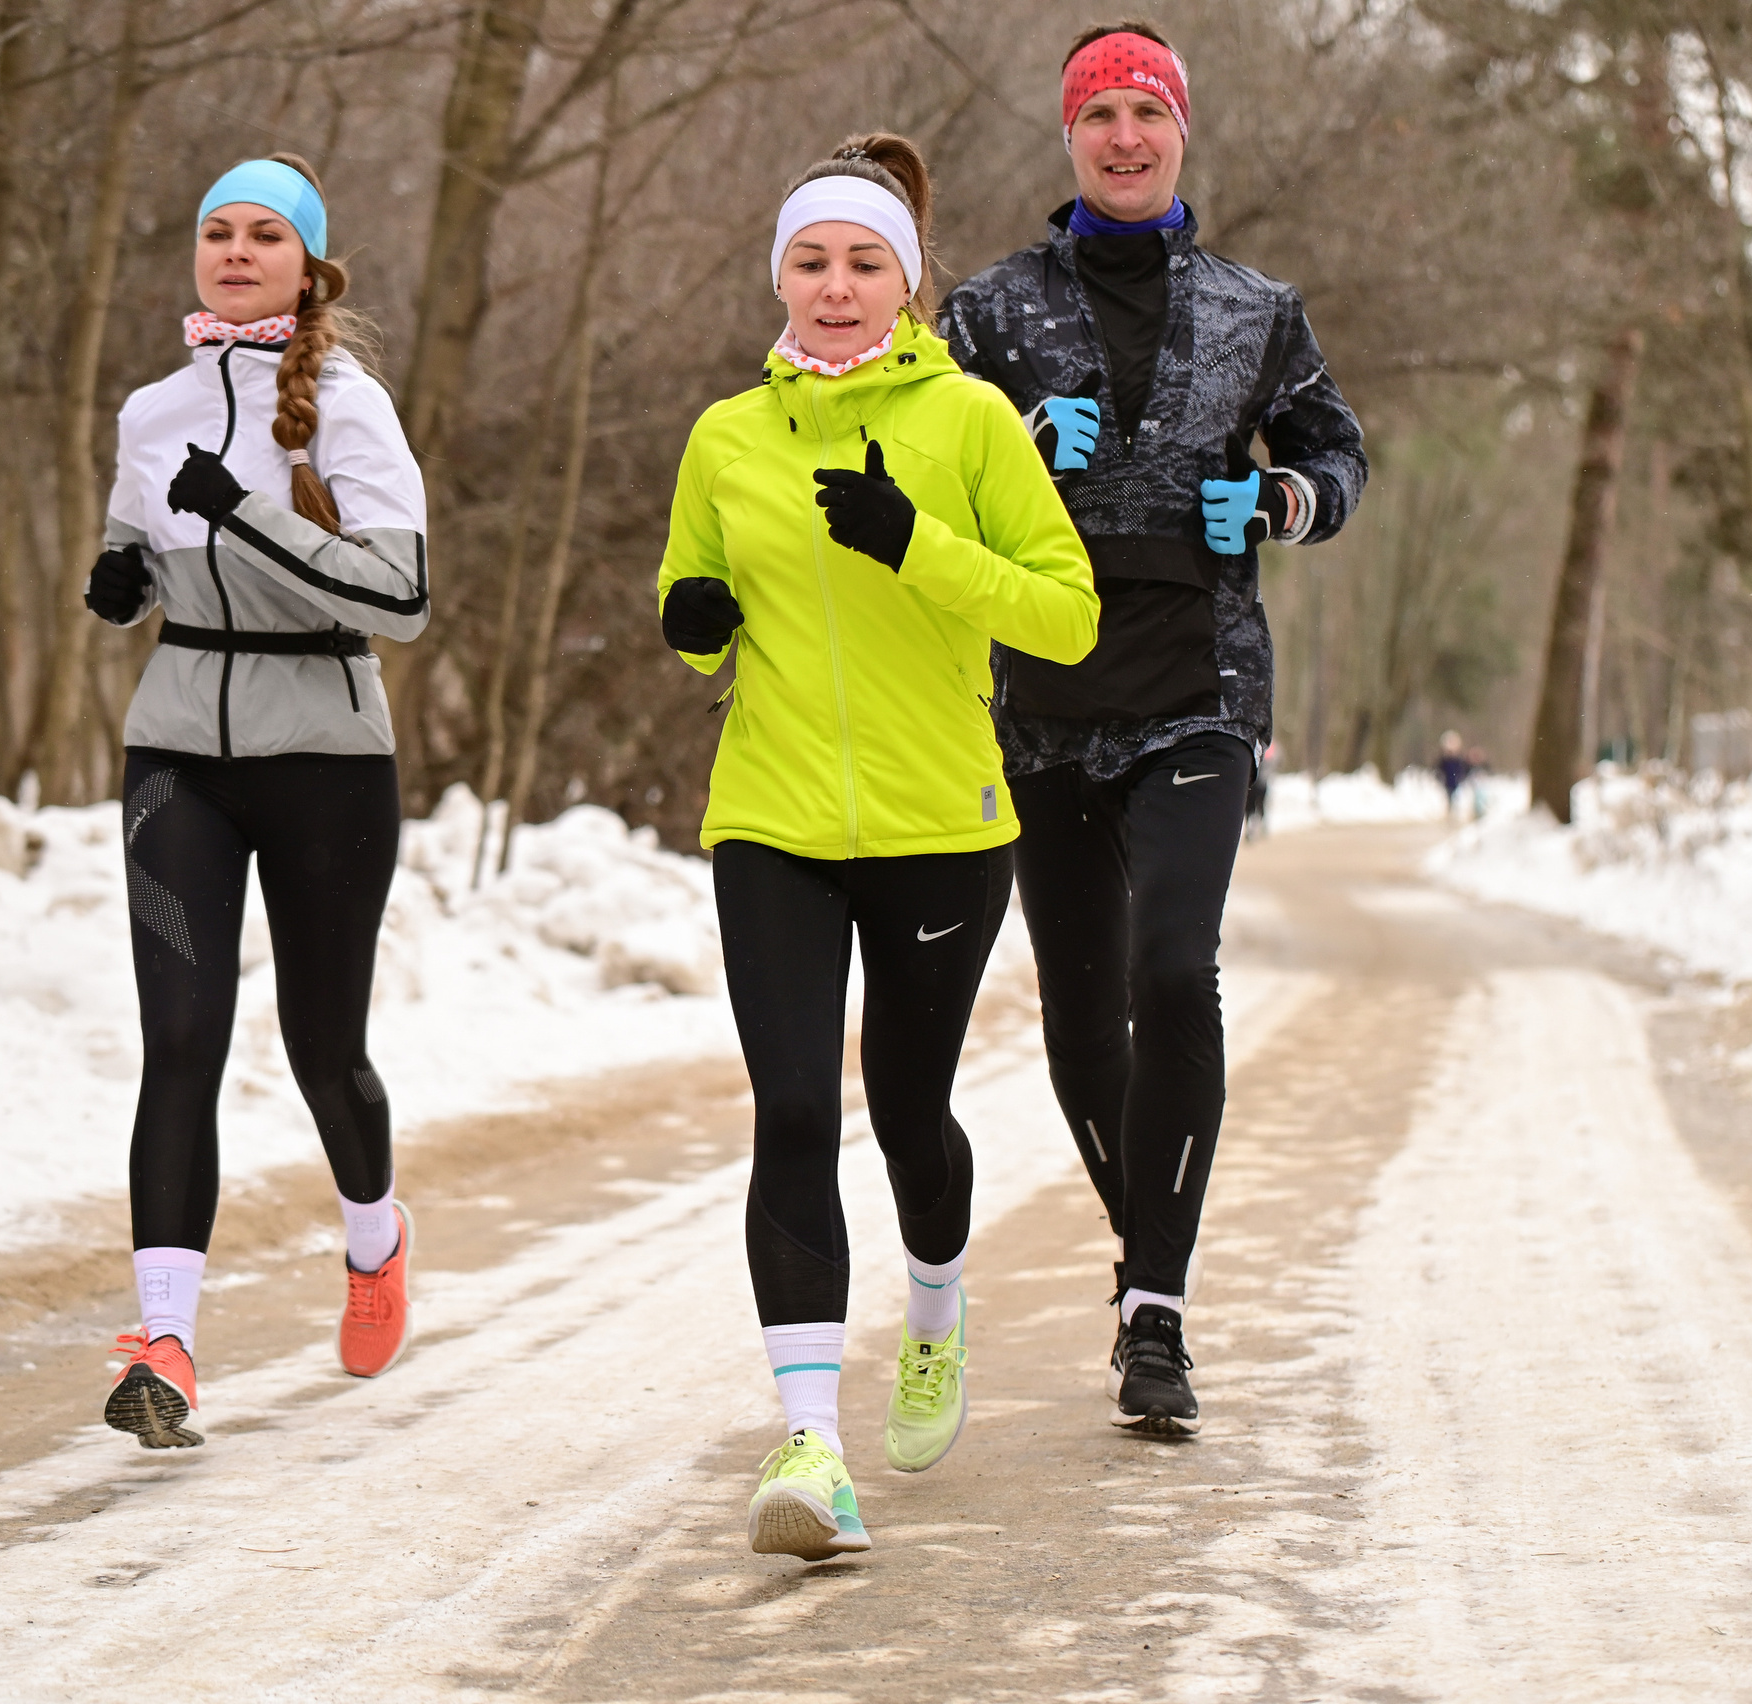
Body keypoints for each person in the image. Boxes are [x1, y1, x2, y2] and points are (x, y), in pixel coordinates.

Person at [658, 134, 1098, 1558]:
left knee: (908, 1110)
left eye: (864, 263)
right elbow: (690, 579)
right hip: (772, 818)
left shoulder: (971, 421)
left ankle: (932, 1306)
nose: (834, 288)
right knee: (794, 1113)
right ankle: (809, 1445)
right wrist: (693, 619)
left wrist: (918, 544)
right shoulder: (728, 433)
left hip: (937, 824)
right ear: (777, 275)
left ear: (906, 281)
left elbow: (1065, 613)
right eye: (810, 261)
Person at [941, 20, 1367, 1435]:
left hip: (1200, 681)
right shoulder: (992, 312)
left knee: (1171, 965)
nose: (1125, 136)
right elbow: (922, 469)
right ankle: (1151, 1254)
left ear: (1183, 132)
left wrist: (1285, 503)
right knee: (1078, 1031)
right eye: (1098, 115)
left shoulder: (1257, 308)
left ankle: (1157, 1313)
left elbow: (1333, 451)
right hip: (1044, 698)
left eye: (1148, 112)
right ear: (1068, 140)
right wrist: (1008, 435)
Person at [84, 155, 430, 1449]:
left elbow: (400, 602)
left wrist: (246, 516)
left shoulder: (350, 411)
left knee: (320, 1048)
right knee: (180, 1043)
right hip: (176, 748)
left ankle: (373, 1236)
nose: (233, 251)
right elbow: (133, 544)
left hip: (326, 755)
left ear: (307, 266)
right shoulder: (149, 410)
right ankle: (164, 1342)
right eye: (215, 232)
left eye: (262, 235)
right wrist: (122, 581)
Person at [1439, 729, 1472, 820]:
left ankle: (1457, 814)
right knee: (1450, 799)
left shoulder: (1459, 760)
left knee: (1458, 799)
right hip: (1449, 783)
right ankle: (1451, 813)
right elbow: (1440, 770)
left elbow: (1464, 770)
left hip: (1457, 782)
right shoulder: (1445, 760)